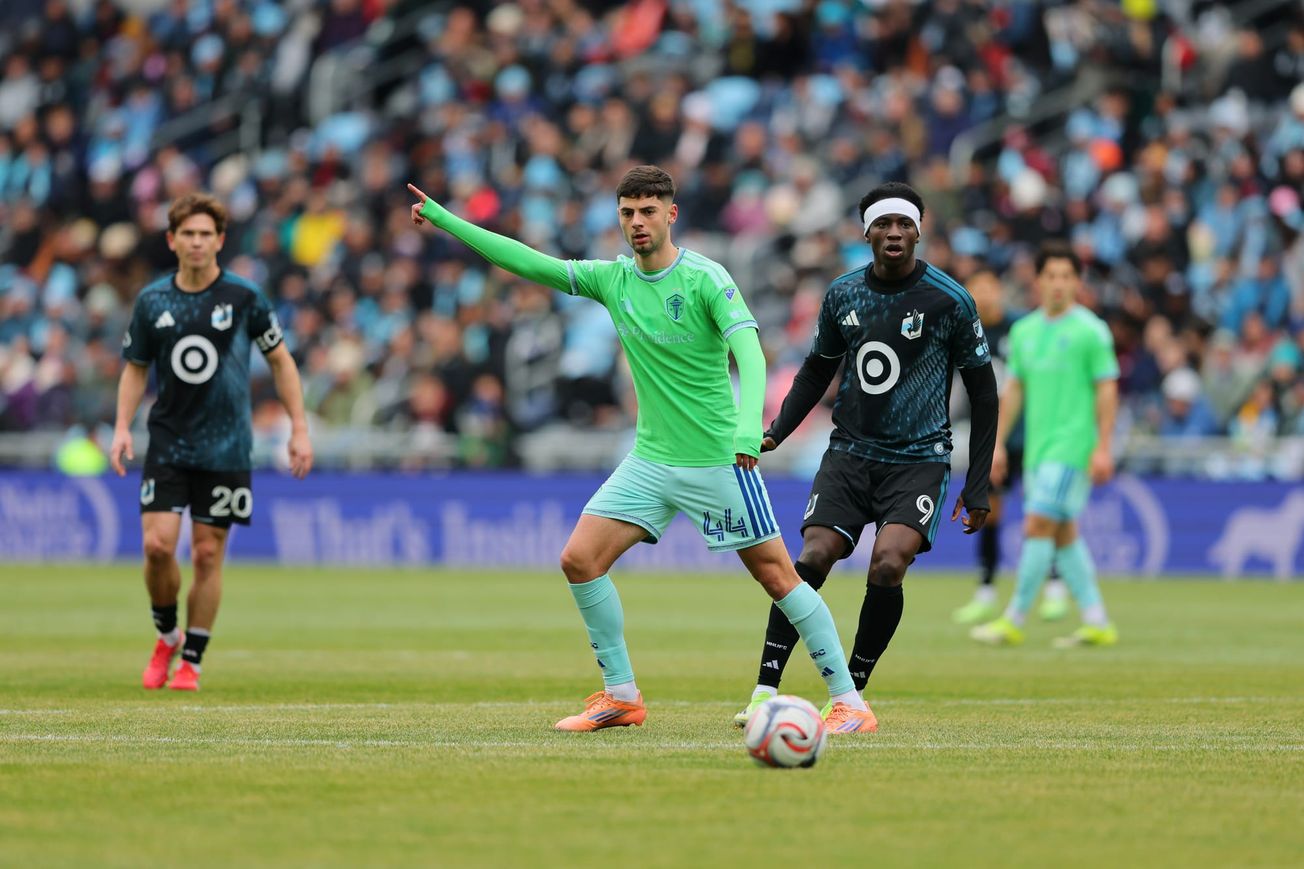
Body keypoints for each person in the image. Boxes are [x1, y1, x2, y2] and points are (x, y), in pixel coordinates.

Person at [407, 165, 876, 733]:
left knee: (778, 577)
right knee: (579, 560)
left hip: (718, 462)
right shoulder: (614, 280)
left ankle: (849, 701)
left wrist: (749, 429)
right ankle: (621, 694)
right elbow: (529, 262)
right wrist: (444, 220)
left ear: (670, 214)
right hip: (649, 461)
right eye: (627, 212)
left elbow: (750, 354)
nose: (637, 222)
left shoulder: (706, 278)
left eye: (648, 211)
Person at [734, 182, 999, 727]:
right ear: (867, 233)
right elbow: (816, 369)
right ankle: (765, 688)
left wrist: (977, 484)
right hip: (849, 454)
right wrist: (777, 431)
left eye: (904, 224)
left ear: (919, 231)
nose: (894, 233)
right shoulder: (843, 295)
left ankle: (851, 695)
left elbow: (984, 391)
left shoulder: (950, 300)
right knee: (810, 560)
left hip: (919, 458)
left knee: (888, 563)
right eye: (884, 224)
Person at [110, 192, 313, 691]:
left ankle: (192, 663)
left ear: (220, 241)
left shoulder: (245, 298)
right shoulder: (153, 301)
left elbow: (281, 360)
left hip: (226, 447)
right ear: (172, 240)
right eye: (188, 234)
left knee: (205, 554)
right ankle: (167, 633)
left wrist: (299, 428)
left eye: (206, 234)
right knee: (158, 546)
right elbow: (135, 369)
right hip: (170, 441)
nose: (197, 242)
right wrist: (120, 427)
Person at [970, 241, 1119, 648]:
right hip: (1037, 449)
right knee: (1064, 533)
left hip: (1072, 448)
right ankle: (1097, 619)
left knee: (1037, 525)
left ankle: (1013, 617)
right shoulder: (1025, 332)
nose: (1058, 284)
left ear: (1077, 282)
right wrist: (997, 444)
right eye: (1051, 275)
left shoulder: (1091, 331)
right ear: (1038, 281)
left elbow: (1106, 390)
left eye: (1066, 276)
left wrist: (1103, 446)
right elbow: (1014, 391)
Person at [951, 267, 1069, 626]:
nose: (984, 294)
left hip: (1030, 434)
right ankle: (986, 589)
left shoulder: (1022, 328)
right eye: (977, 287)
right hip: (989, 437)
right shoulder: (962, 331)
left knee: (1042, 510)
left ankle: (1054, 585)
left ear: (999, 290)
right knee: (989, 511)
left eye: (990, 286)